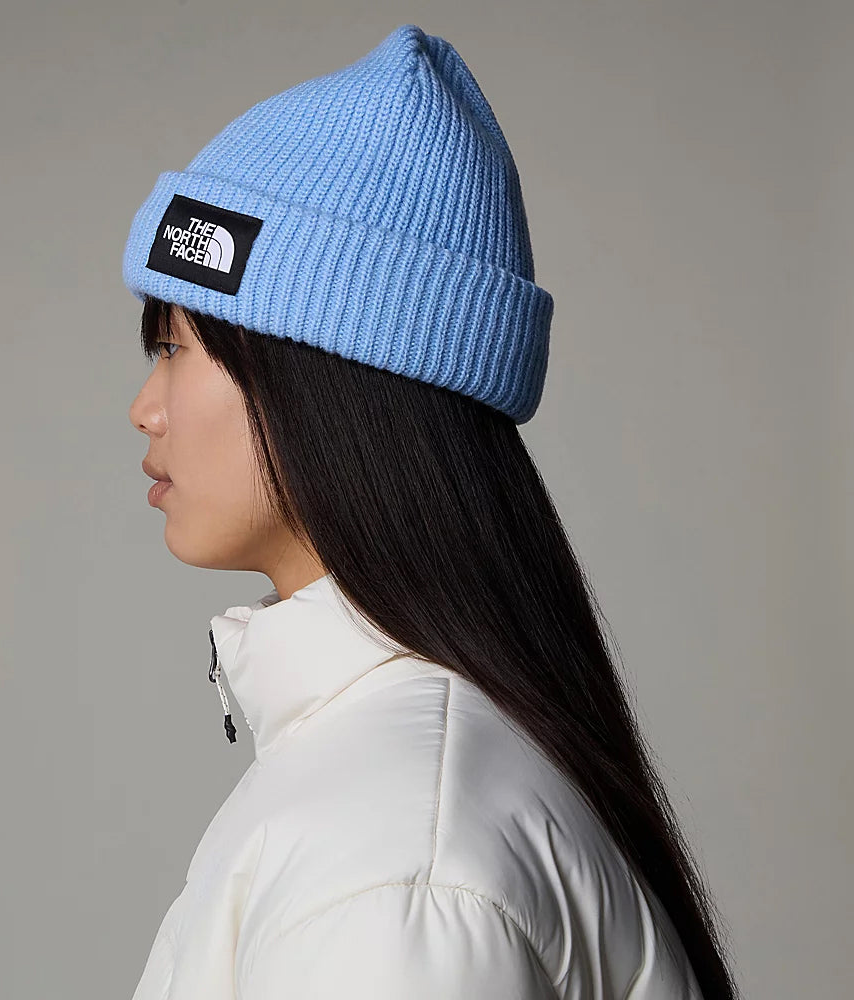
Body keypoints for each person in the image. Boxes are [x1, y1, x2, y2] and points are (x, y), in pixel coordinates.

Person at [123, 22, 740, 1000]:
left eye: (176, 347)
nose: (145, 407)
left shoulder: (394, 861)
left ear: (323, 376)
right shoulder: (402, 794)